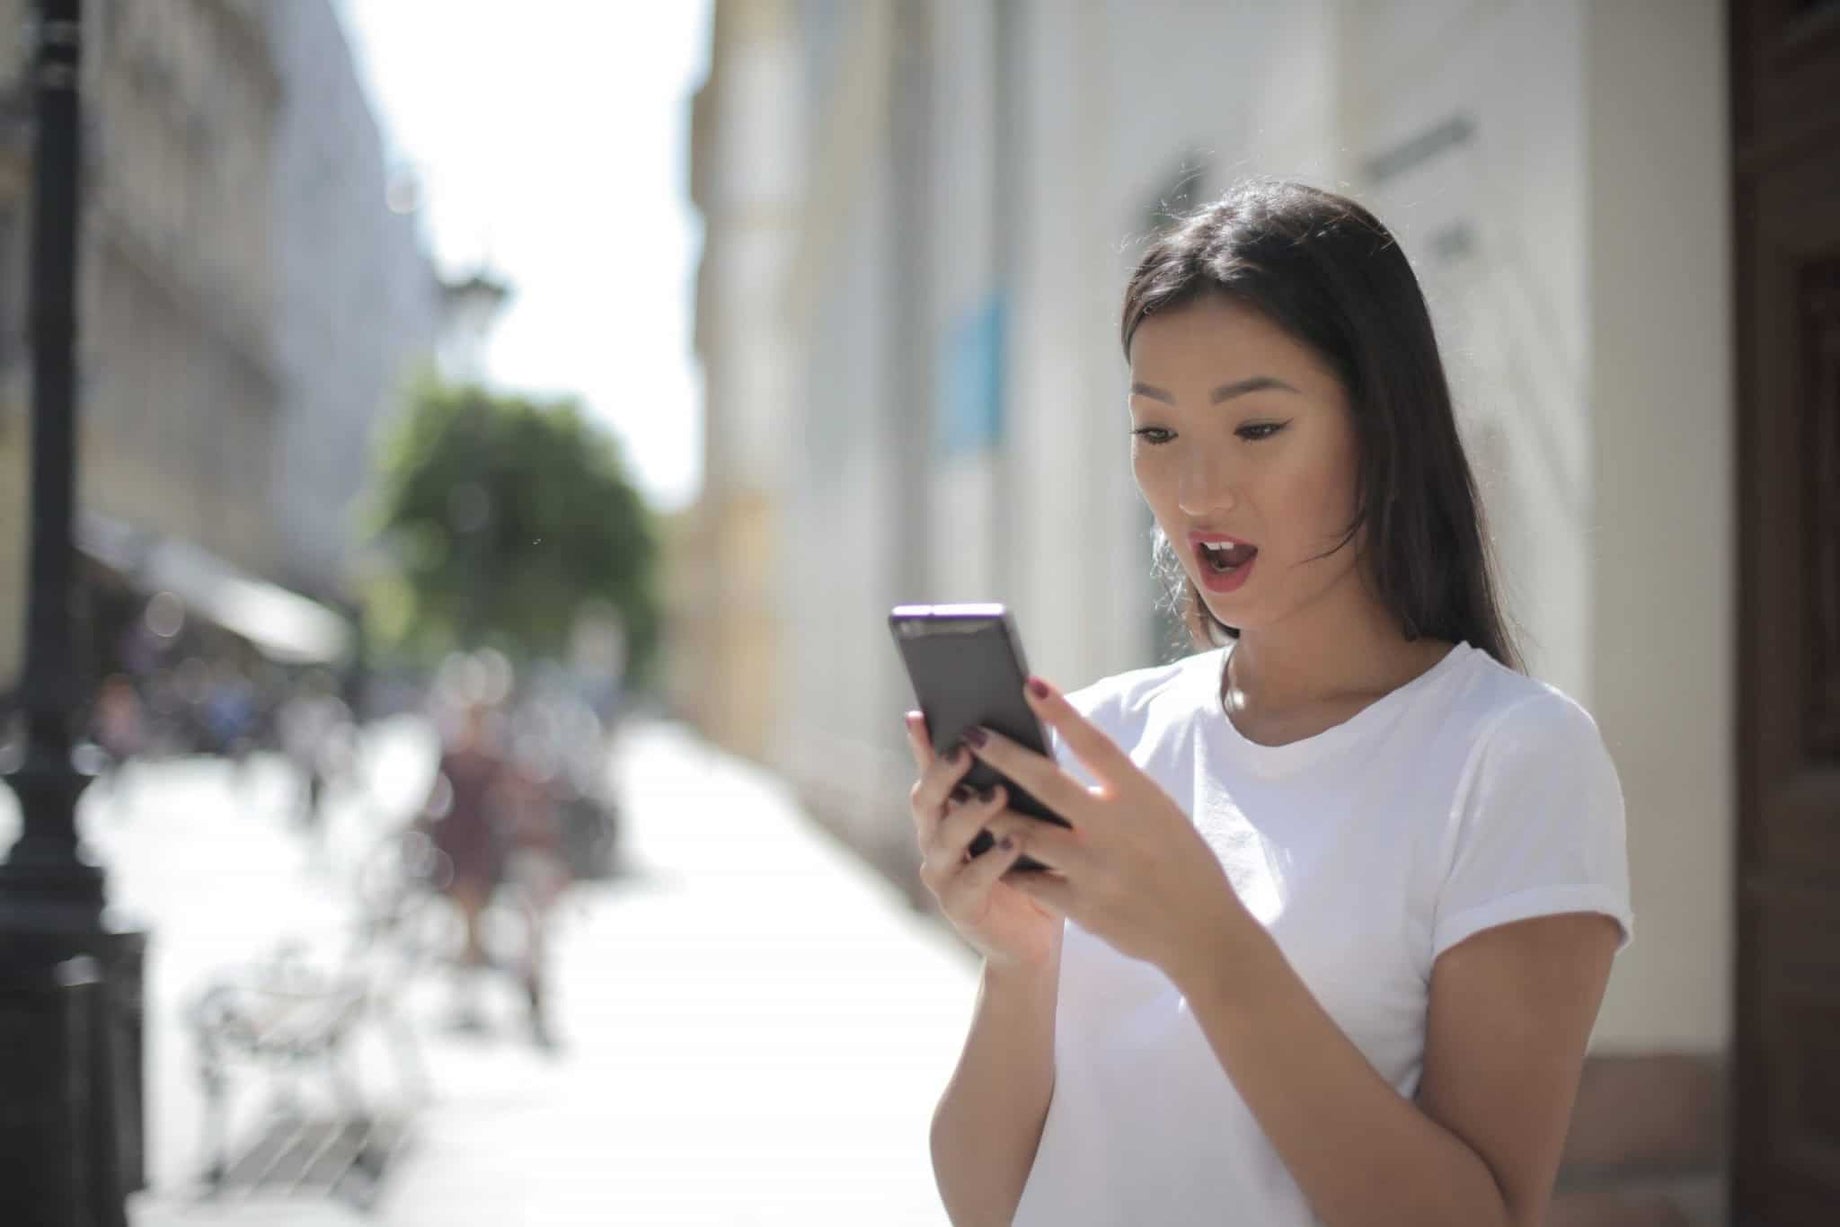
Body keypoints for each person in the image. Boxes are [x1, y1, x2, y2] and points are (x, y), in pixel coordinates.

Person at [910, 180, 1632, 1227]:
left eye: (1256, 427)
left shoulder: (1512, 759)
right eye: (1156, 434)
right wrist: (1022, 965)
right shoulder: (1108, 737)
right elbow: (984, 1202)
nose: (1197, 493)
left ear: (1380, 426)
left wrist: (1210, 947)